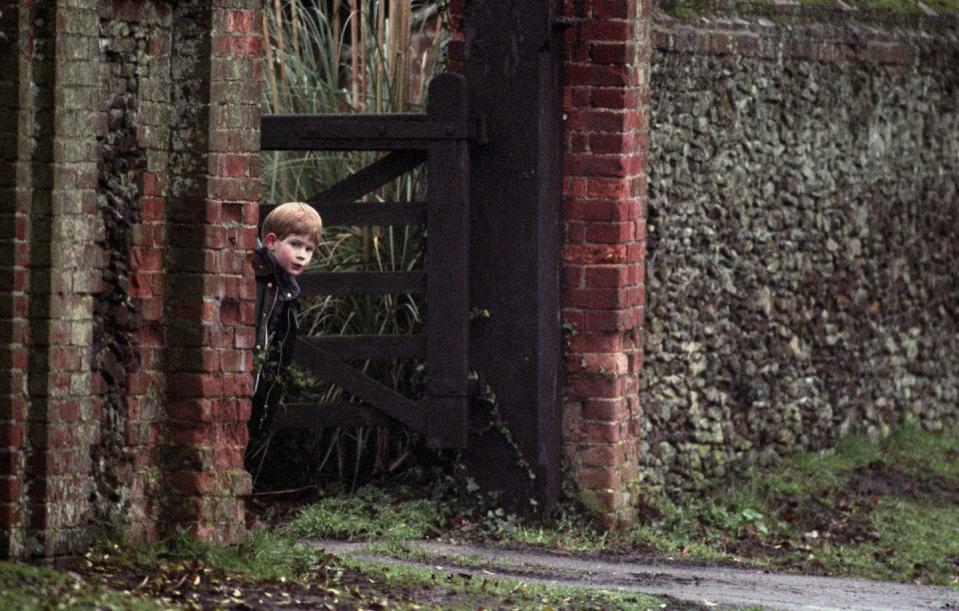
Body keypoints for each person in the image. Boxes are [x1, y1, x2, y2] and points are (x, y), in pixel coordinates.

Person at [250, 201, 323, 433]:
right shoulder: (257, 277)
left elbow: (279, 352)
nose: (302, 256)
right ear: (271, 242)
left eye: (309, 249)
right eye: (295, 245)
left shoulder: (288, 289)